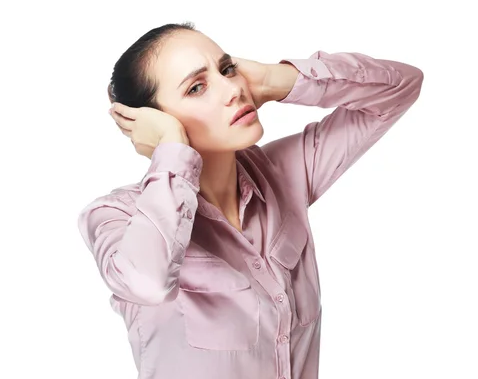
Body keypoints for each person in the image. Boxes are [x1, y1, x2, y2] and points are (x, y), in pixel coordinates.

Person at [77, 21, 424, 379]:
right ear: (152, 122)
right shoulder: (115, 217)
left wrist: (279, 80)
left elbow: (402, 87)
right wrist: (172, 147)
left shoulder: (283, 173)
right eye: (197, 87)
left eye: (227, 69)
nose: (232, 89)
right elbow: (147, 282)